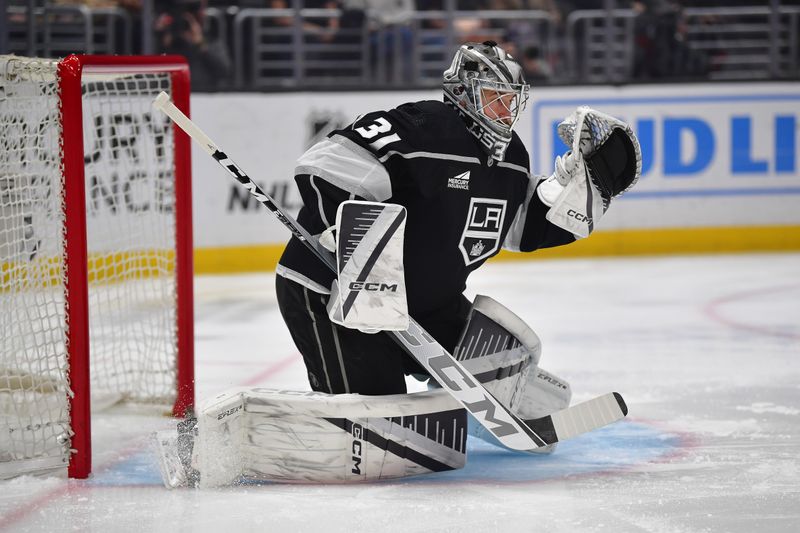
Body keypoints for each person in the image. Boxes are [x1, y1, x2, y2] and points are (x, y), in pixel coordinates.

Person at [275, 40, 641, 397]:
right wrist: (349, 237)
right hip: (333, 293)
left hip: (422, 304)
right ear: (464, 93)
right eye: (495, 97)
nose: (505, 111)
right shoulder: (422, 126)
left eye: (511, 100)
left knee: (503, 365)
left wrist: (576, 194)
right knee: (377, 408)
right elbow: (324, 164)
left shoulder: (512, 158)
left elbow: (521, 225)